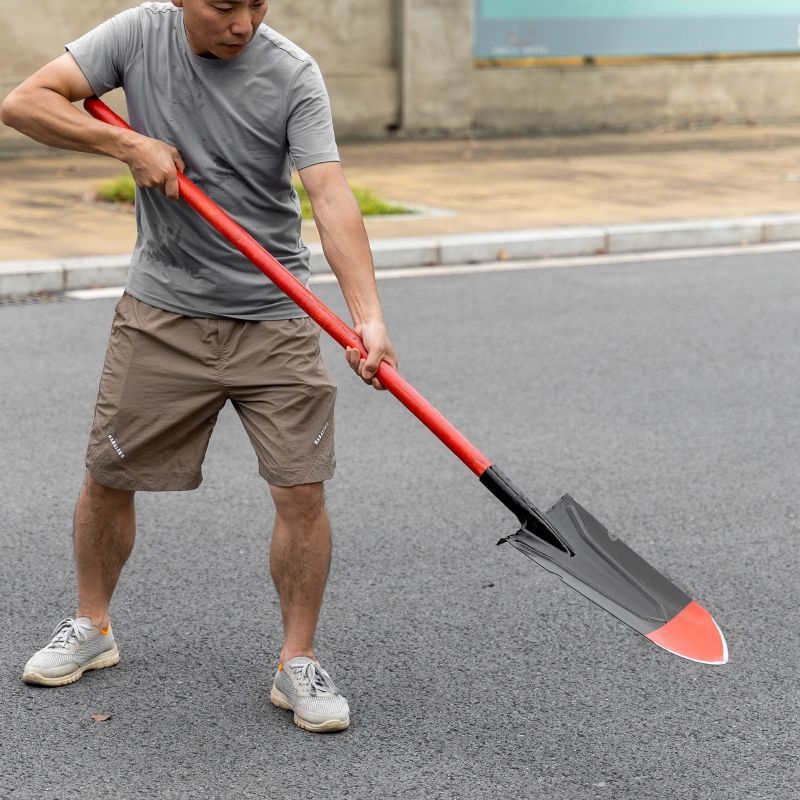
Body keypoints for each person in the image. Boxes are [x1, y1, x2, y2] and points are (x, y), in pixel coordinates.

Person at [0, 0, 396, 734]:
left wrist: (367, 314)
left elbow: (330, 194)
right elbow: (24, 103)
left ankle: (297, 661)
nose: (243, 22)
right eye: (223, 5)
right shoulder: (136, 34)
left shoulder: (292, 74)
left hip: (275, 314)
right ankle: (93, 625)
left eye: (258, 2)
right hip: (162, 311)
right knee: (107, 476)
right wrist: (128, 147)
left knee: (301, 492)